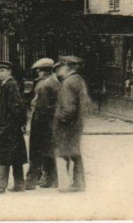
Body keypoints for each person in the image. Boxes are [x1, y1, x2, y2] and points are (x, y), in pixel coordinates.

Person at [0, 61, 28, 195]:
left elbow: (16, 107)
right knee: (15, 156)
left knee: (5, 156)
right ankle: (19, 185)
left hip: (8, 128)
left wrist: (12, 125)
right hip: (11, 127)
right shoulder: (8, 84)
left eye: (2, 71)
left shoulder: (10, 85)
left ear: (9, 71)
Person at [54, 56, 90, 192]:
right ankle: (78, 183)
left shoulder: (68, 82)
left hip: (67, 125)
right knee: (75, 153)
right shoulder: (78, 80)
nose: (58, 70)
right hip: (76, 123)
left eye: (60, 67)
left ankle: (72, 184)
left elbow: (68, 108)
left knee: (68, 154)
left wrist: (59, 119)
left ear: (66, 67)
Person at [25, 57, 60, 190]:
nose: (38, 74)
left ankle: (33, 179)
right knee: (48, 150)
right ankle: (50, 179)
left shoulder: (46, 84)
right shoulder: (53, 82)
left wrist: (36, 123)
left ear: (43, 72)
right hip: (50, 122)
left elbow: (43, 106)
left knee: (37, 151)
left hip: (42, 122)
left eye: (39, 71)